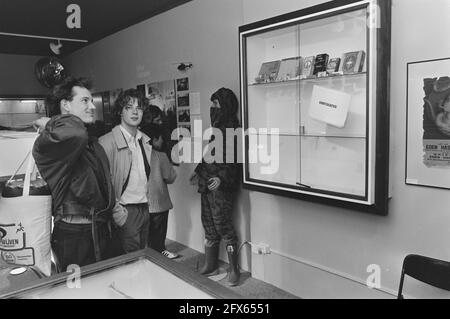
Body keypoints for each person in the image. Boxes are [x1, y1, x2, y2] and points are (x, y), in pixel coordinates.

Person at [32, 77, 121, 272]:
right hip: (74, 235)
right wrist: (52, 122)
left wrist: (115, 206)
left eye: (91, 100)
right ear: (65, 105)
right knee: (76, 290)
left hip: (99, 228)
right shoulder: (51, 142)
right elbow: (74, 133)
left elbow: (104, 181)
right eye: (84, 101)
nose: (92, 106)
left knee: (101, 284)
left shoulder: (91, 143)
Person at [191, 87, 242, 286]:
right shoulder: (217, 129)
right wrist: (198, 170)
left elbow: (234, 162)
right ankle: (210, 264)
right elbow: (209, 155)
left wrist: (221, 178)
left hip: (221, 187)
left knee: (223, 226)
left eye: (216, 104)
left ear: (226, 106)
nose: (213, 108)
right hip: (206, 183)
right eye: (212, 104)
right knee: (209, 225)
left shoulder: (233, 130)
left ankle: (234, 270)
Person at [99, 89, 151, 254]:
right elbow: (102, 183)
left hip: (143, 208)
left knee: (142, 257)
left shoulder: (144, 140)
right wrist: (118, 213)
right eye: (129, 107)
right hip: (125, 211)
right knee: (130, 262)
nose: (135, 111)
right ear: (120, 111)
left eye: (139, 107)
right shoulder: (108, 142)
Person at [141, 124, 178, 258]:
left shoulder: (137, 154)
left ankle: (149, 255)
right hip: (159, 202)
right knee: (159, 232)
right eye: (161, 138)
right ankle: (160, 253)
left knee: (146, 233)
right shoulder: (160, 156)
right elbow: (170, 177)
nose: (162, 141)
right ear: (155, 139)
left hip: (142, 201)